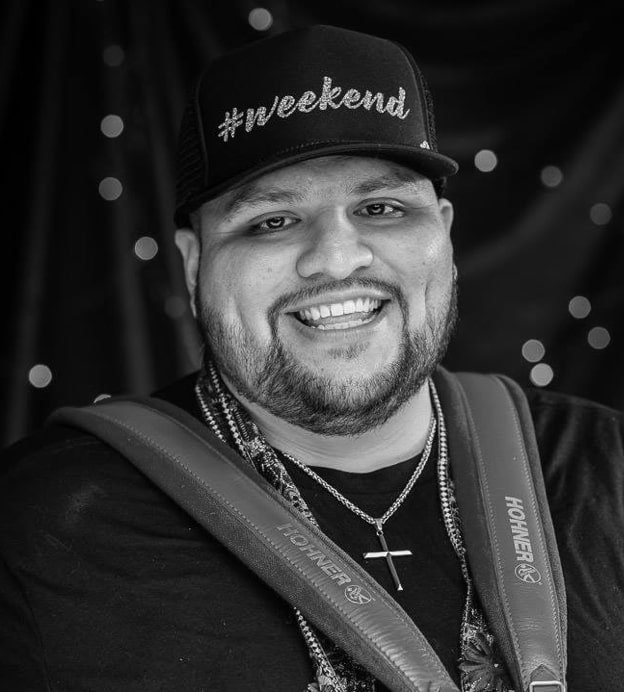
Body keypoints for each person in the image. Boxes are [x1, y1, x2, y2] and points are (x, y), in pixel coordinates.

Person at [1, 24, 623, 692]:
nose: (336, 257)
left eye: (381, 207)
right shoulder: (39, 525)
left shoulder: (606, 466)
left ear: (442, 233)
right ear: (192, 264)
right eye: (271, 221)